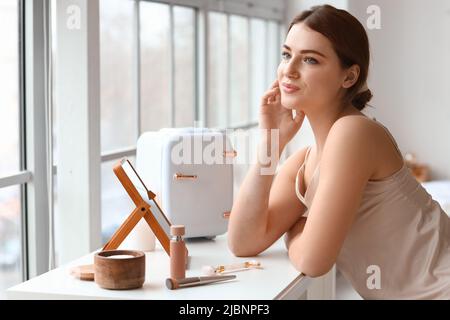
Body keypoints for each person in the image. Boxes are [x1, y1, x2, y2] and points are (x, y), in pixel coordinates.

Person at [227, 4, 449, 299]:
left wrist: (293, 230)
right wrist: (271, 142)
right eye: (286, 54)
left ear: (349, 77)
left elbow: (313, 261)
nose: (289, 70)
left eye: (310, 60)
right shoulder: (304, 161)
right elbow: (243, 241)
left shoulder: (354, 133)